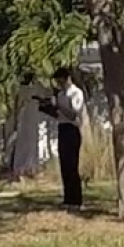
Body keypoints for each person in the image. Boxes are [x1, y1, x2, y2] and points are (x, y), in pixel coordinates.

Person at [42, 67, 86, 208]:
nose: (59, 84)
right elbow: (59, 115)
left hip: (72, 129)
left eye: (60, 81)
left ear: (67, 78)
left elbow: (73, 114)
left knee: (72, 165)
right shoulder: (60, 94)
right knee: (64, 165)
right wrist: (48, 108)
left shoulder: (76, 93)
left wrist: (59, 105)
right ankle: (68, 198)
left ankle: (76, 200)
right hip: (62, 128)